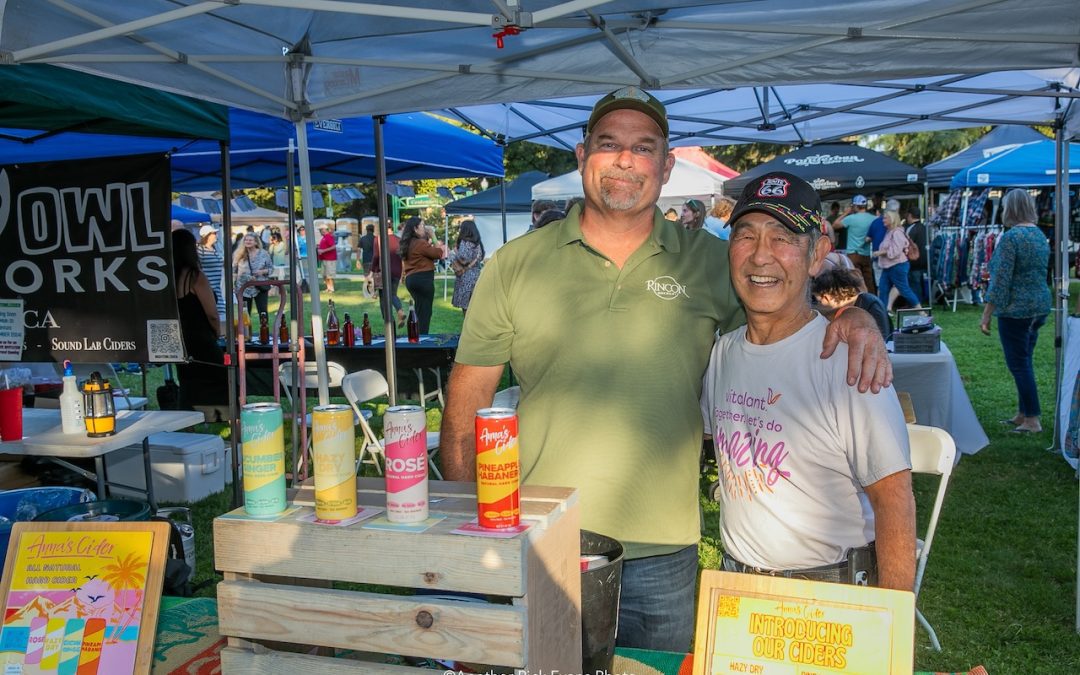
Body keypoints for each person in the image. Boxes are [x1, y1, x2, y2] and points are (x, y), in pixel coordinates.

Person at [439, 87, 890, 652]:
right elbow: (466, 402)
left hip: (663, 552)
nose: (625, 160)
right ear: (581, 156)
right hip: (540, 540)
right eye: (609, 144)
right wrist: (464, 530)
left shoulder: (709, 261)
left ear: (666, 165)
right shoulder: (514, 265)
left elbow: (782, 310)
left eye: (643, 147)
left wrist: (853, 320)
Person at [701, 171, 915, 591]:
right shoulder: (722, 353)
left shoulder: (848, 359)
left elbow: (894, 501)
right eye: (746, 236)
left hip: (826, 592)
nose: (761, 256)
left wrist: (893, 625)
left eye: (782, 238)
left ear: (817, 255)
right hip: (736, 587)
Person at [980, 188, 1051, 434]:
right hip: (1039, 306)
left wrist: (987, 314)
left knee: (1019, 364)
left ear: (1009, 209)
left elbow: (1001, 281)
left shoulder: (1012, 238)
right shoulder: (1039, 235)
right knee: (1025, 361)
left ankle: (1032, 419)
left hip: (1016, 310)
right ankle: (1023, 413)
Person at [172, 229, 228, 410]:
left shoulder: (166, 278)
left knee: (188, 385)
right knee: (223, 380)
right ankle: (228, 418)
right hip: (201, 338)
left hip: (180, 340)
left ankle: (189, 424)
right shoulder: (195, 277)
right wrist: (217, 332)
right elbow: (211, 313)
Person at [813, 267, 892, 340]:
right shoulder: (855, 307)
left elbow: (881, 340)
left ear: (827, 297)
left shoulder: (870, 304)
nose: (818, 305)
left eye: (819, 301)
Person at [400, 216, 446, 334]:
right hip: (423, 280)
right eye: (422, 226)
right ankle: (421, 341)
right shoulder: (420, 243)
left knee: (420, 311)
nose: (425, 228)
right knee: (425, 313)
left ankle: (415, 336)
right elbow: (439, 253)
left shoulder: (408, 243)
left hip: (412, 280)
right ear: (415, 229)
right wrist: (433, 236)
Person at [874, 209, 921, 310]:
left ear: (892, 219)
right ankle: (883, 313)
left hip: (898, 265)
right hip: (888, 266)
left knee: (904, 289)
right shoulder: (889, 232)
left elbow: (895, 251)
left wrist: (880, 252)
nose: (883, 220)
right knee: (883, 289)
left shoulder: (897, 232)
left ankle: (921, 311)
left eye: (885, 218)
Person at [836, 194, 877, 293]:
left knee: (853, 279)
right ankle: (872, 301)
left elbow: (835, 225)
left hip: (853, 254)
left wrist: (845, 213)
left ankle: (856, 301)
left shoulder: (851, 218)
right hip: (866, 253)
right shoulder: (874, 218)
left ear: (855, 206)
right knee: (868, 280)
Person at [232, 233, 273, 322]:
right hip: (243, 288)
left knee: (263, 311)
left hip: (260, 287)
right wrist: (233, 284)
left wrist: (262, 272)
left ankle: (264, 333)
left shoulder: (263, 253)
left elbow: (271, 269)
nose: (248, 242)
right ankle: (245, 334)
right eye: (246, 240)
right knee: (244, 313)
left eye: (250, 240)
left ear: (256, 242)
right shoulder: (239, 254)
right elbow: (234, 270)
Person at [372, 224, 406, 328]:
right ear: (392, 227)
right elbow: (402, 257)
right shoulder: (399, 239)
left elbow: (376, 256)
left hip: (384, 271)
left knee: (383, 298)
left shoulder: (378, 239)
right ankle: (399, 310)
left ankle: (388, 322)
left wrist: (372, 271)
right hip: (397, 271)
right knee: (392, 294)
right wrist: (403, 273)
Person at [449, 220, 485, 315]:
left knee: (466, 308)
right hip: (476, 276)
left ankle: (468, 328)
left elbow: (463, 259)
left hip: (465, 276)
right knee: (475, 306)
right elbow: (480, 258)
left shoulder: (465, 243)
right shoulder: (478, 244)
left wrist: (454, 252)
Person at [196, 224, 225, 332]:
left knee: (221, 315)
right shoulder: (200, 249)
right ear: (207, 235)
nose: (216, 235)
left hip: (216, 289)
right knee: (209, 316)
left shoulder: (214, 248)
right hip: (207, 289)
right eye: (214, 233)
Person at [905, 206, 929, 303]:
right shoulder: (924, 228)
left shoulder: (911, 229)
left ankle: (916, 303)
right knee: (920, 283)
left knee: (914, 284)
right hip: (924, 260)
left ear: (910, 215)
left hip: (914, 262)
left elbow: (907, 244)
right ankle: (920, 300)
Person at [316, 223, 337, 294]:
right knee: (324, 275)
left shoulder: (328, 237)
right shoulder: (324, 237)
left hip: (330, 259)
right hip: (324, 259)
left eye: (321, 230)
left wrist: (323, 250)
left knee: (329, 274)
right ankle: (328, 288)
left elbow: (333, 246)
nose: (320, 231)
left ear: (325, 230)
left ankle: (331, 288)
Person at [358, 223, 376, 296]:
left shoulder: (363, 239)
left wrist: (357, 260)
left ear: (366, 230)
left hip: (365, 260)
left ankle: (368, 292)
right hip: (374, 260)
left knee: (366, 276)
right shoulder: (376, 238)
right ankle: (373, 292)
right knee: (373, 276)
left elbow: (358, 249)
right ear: (373, 230)